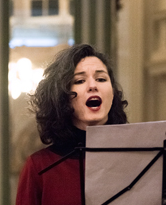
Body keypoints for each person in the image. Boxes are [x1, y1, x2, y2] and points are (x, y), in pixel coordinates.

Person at [16, 44, 128, 205]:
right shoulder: (39, 166)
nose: (93, 86)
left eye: (101, 79)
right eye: (80, 80)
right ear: (63, 96)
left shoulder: (135, 159)